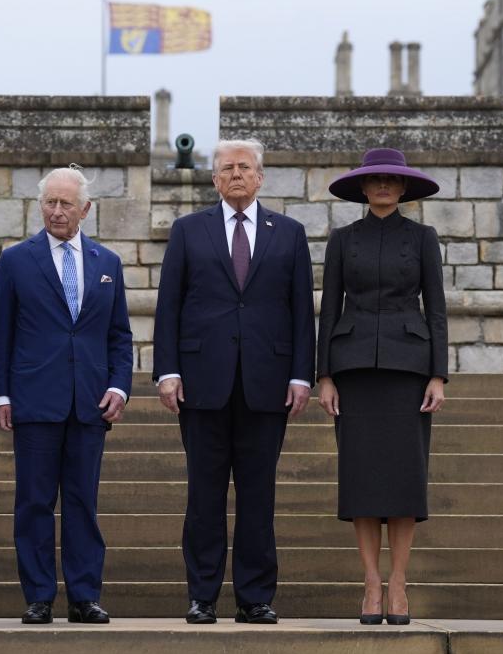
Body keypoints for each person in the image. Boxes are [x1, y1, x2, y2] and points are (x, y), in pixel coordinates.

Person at [153, 138, 315, 625]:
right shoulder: (188, 230)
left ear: (261, 177)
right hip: (202, 383)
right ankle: (202, 595)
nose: (237, 175)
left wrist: (301, 374)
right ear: (214, 178)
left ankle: (255, 597)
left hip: (267, 384)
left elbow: (301, 310)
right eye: (227, 168)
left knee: (258, 496)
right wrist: (168, 370)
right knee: (204, 496)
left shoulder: (288, 233)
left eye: (245, 167)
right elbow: (170, 307)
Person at [0, 164, 133, 625]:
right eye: (49, 202)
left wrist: (118, 385)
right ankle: (38, 596)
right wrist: (0, 394)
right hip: (34, 400)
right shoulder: (16, 260)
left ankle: (84, 596)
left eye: (65, 203)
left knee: (82, 504)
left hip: (90, 402)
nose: (56, 211)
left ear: (84, 209)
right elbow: (1, 334)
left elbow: (119, 335)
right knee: (33, 502)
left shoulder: (107, 264)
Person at [316, 147, 448, 625]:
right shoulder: (342, 239)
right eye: (376, 181)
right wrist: (324, 375)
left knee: (404, 480)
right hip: (353, 371)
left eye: (393, 180)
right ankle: (371, 584)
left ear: (404, 187)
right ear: (363, 188)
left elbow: (435, 307)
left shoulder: (422, 238)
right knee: (362, 481)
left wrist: (438, 373)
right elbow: (329, 309)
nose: (384, 187)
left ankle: (399, 583)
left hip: (408, 371)